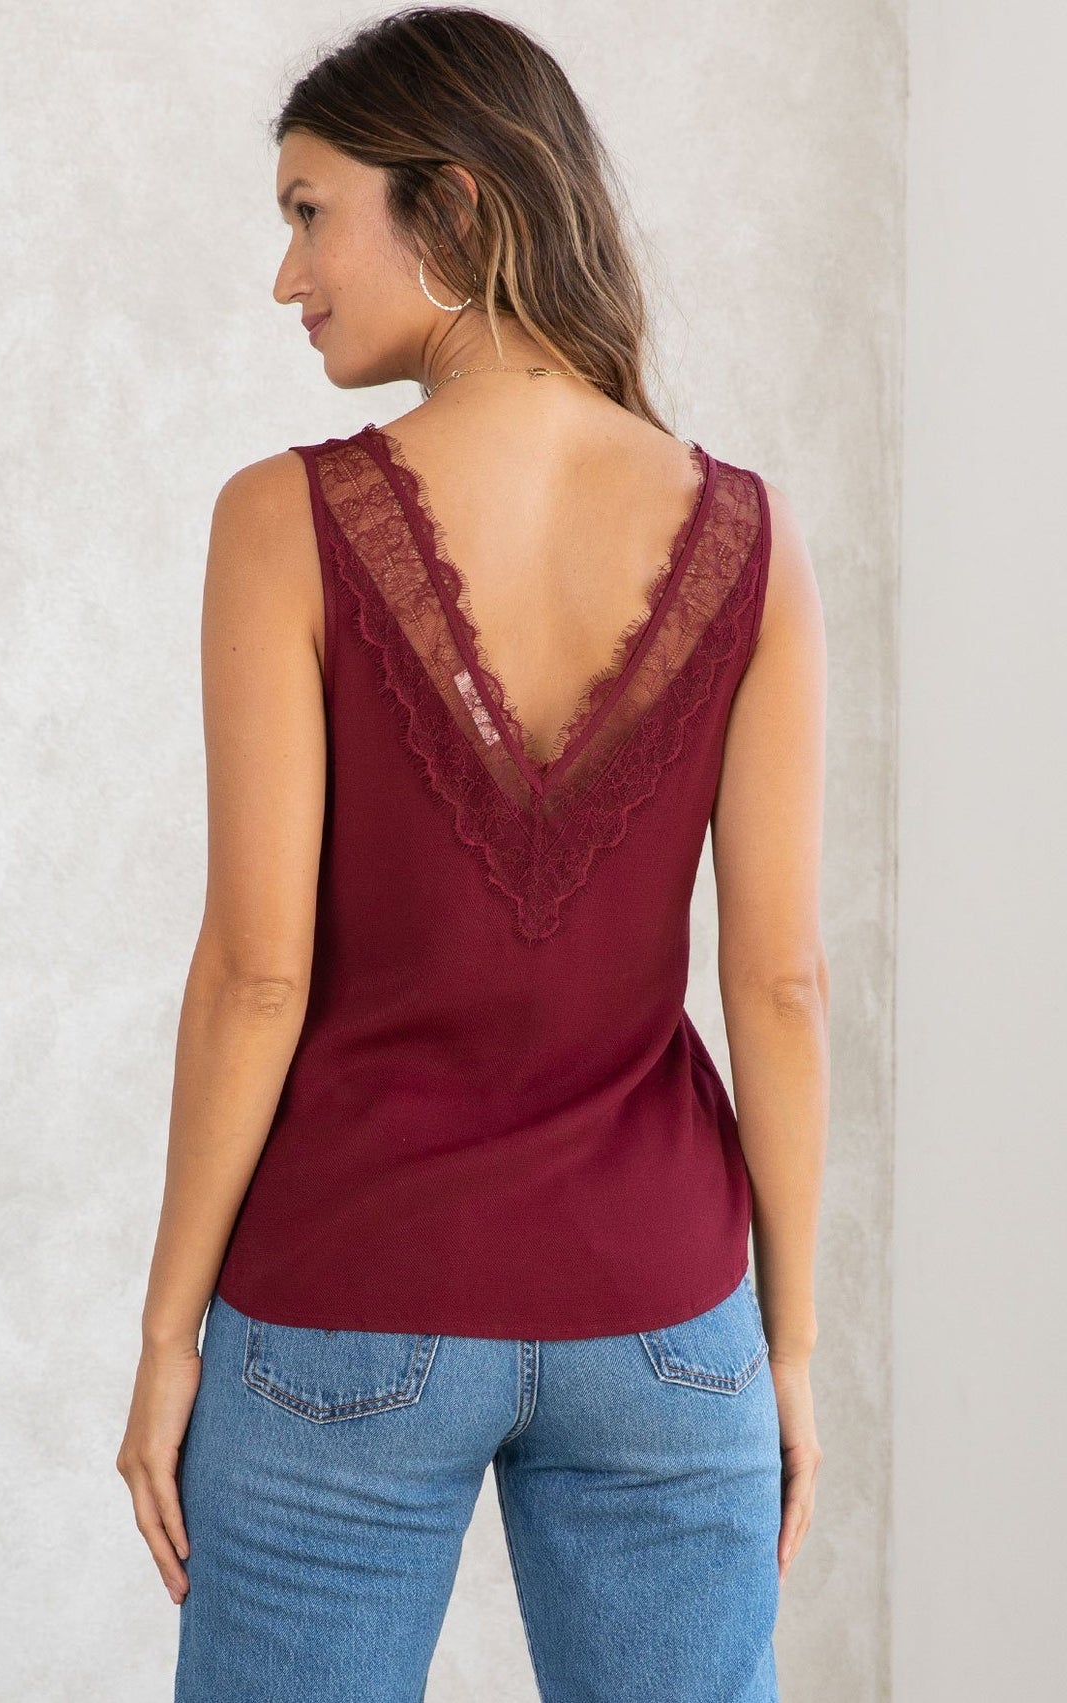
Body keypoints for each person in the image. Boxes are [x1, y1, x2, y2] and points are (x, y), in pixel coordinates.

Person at [116, 8, 828, 1699]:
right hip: (665, 1315)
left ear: (452, 204)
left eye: (311, 213)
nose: (287, 278)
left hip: (346, 1299)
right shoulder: (751, 536)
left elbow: (257, 975)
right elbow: (782, 986)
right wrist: (787, 1348)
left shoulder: (282, 521)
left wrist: (165, 1335)